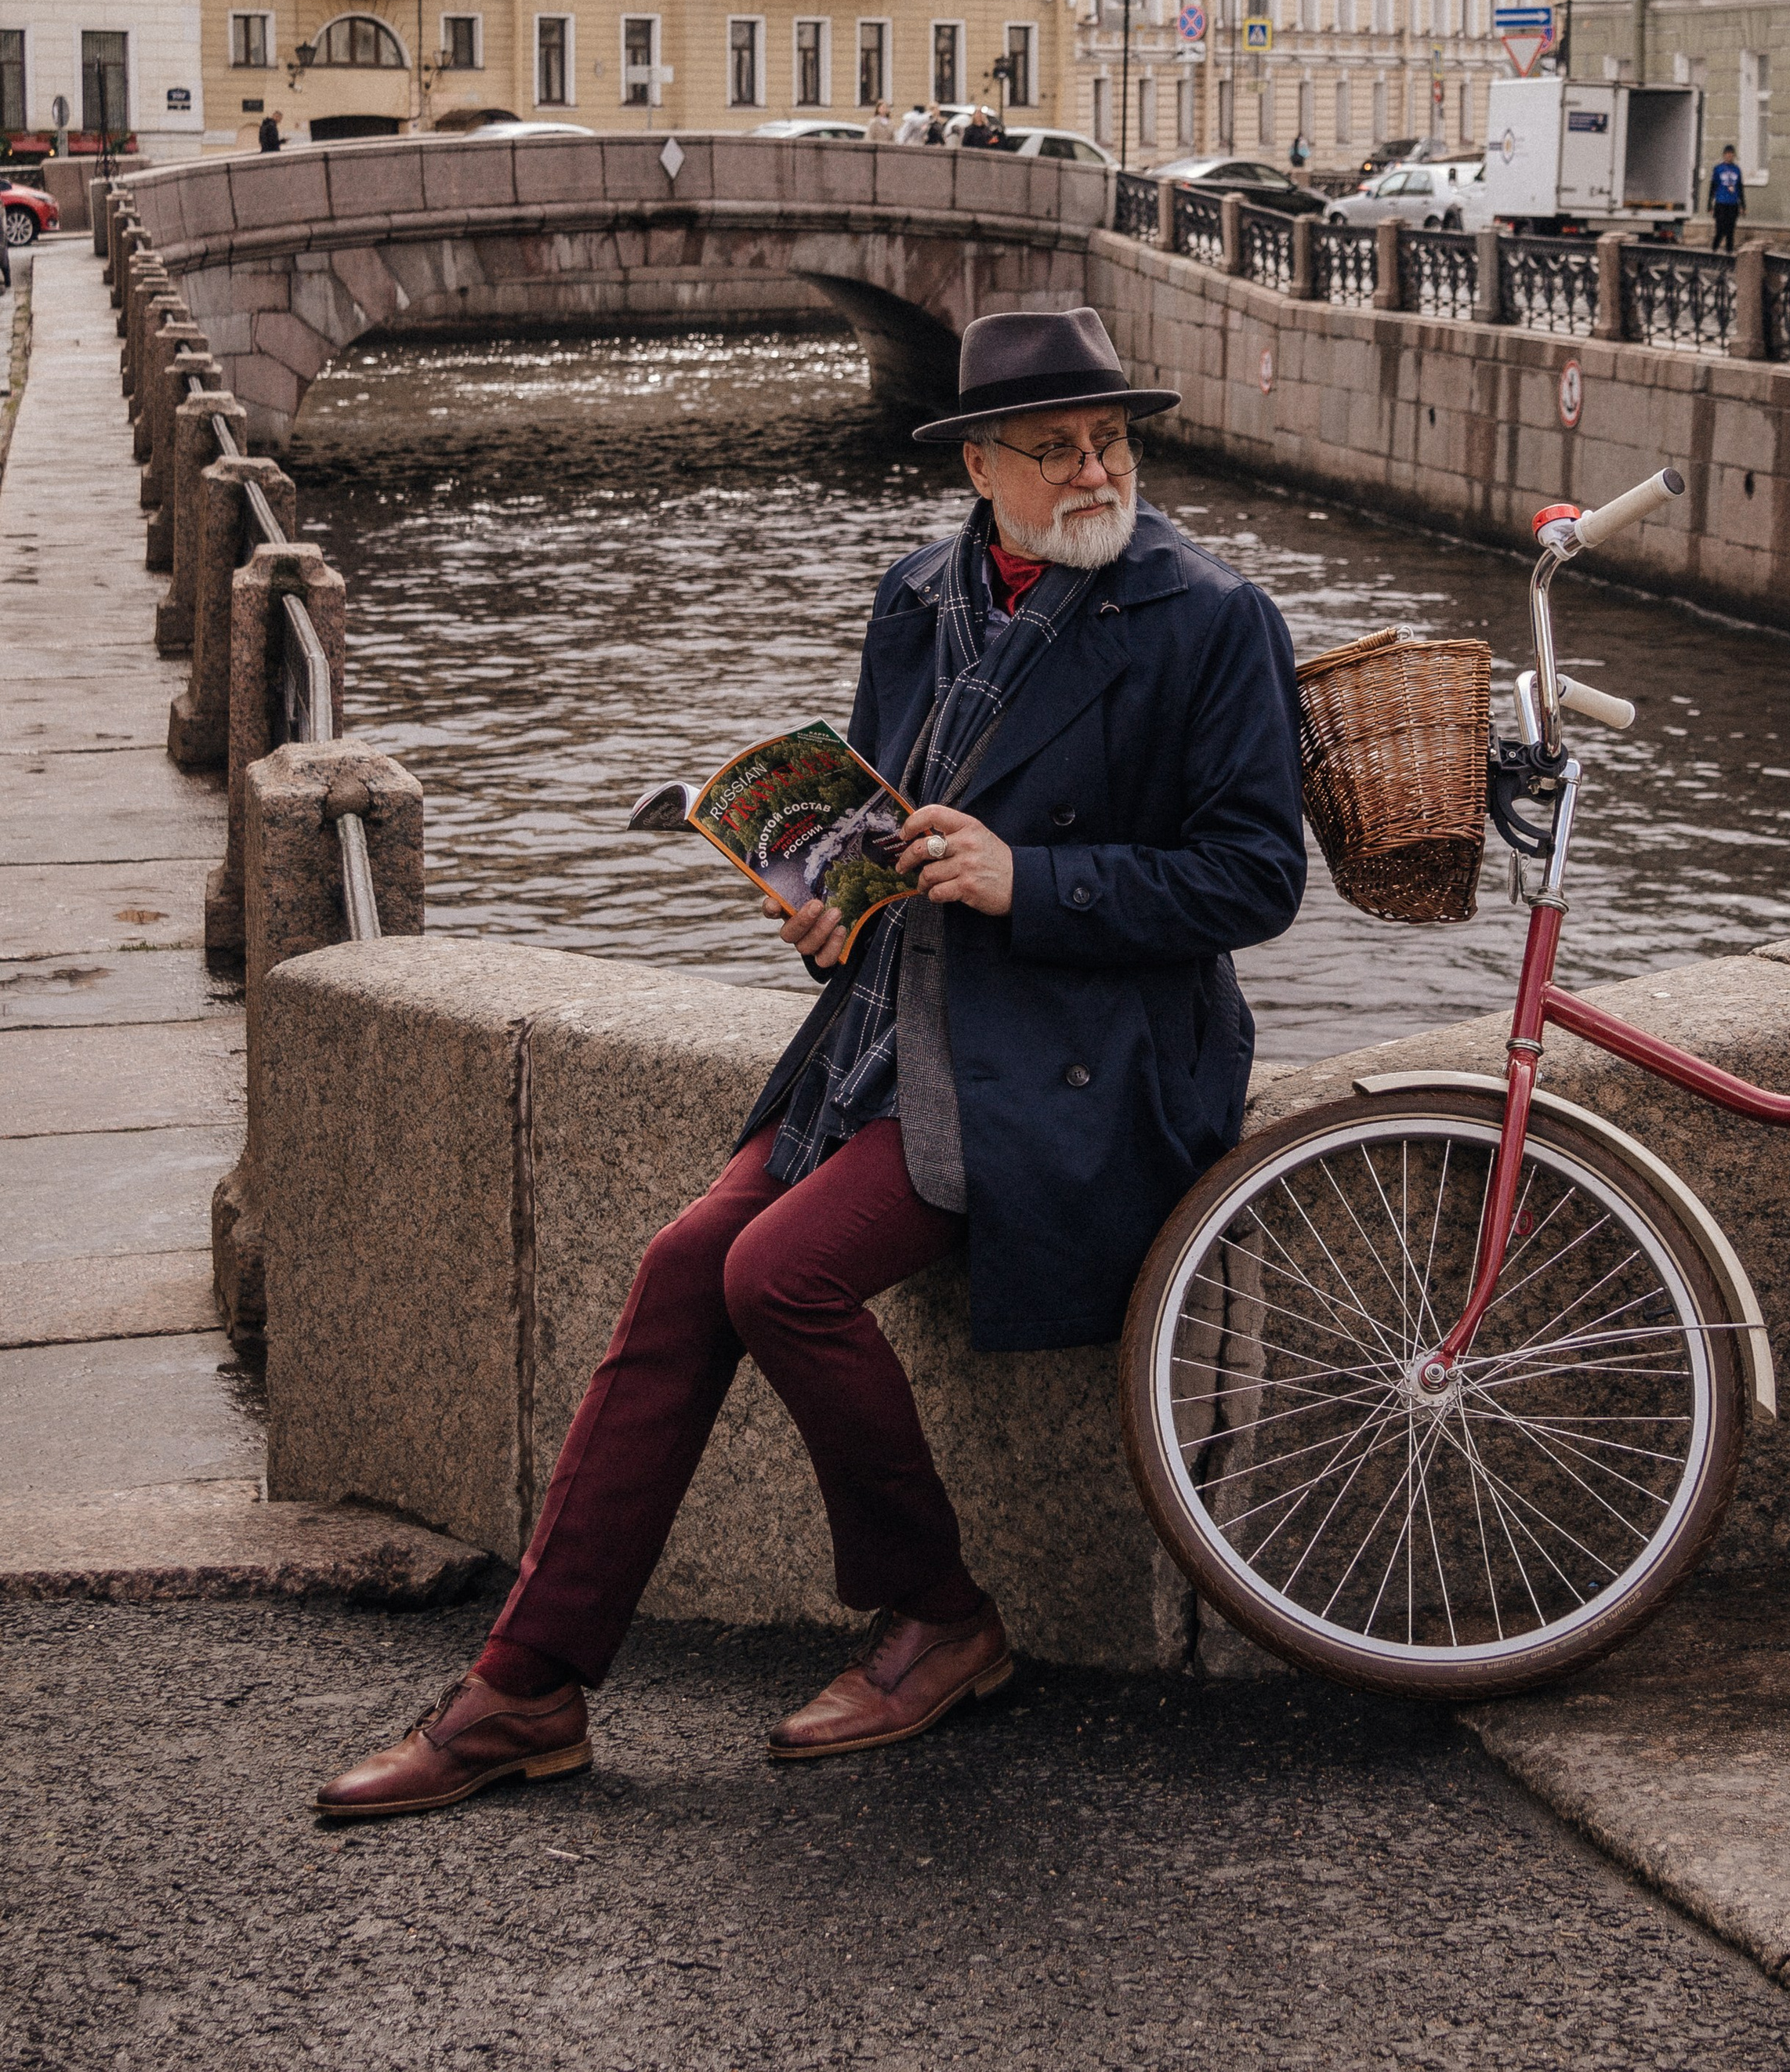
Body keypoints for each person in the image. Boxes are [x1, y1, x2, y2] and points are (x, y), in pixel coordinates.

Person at [314, 307, 1306, 1821]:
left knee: (778, 1272)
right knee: (676, 1270)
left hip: (1083, 1060)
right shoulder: (917, 596)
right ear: (979, 463)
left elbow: (1253, 880)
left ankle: (941, 1618)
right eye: (1055, 447)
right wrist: (823, 904)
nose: (1096, 468)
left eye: (1111, 437)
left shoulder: (1206, 616)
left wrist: (1033, 881)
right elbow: (876, 818)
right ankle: (524, 1688)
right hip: (887, 1030)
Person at [1708, 143, 1745, 252]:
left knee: (1730, 230)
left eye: (1731, 154)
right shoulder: (1718, 169)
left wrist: (1743, 205)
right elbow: (1713, 187)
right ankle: (1714, 249)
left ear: (1733, 156)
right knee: (1720, 229)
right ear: (1724, 155)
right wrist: (1709, 204)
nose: (1729, 156)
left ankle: (1729, 251)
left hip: (1733, 203)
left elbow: (1740, 188)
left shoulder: (1737, 170)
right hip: (1721, 203)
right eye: (1727, 154)